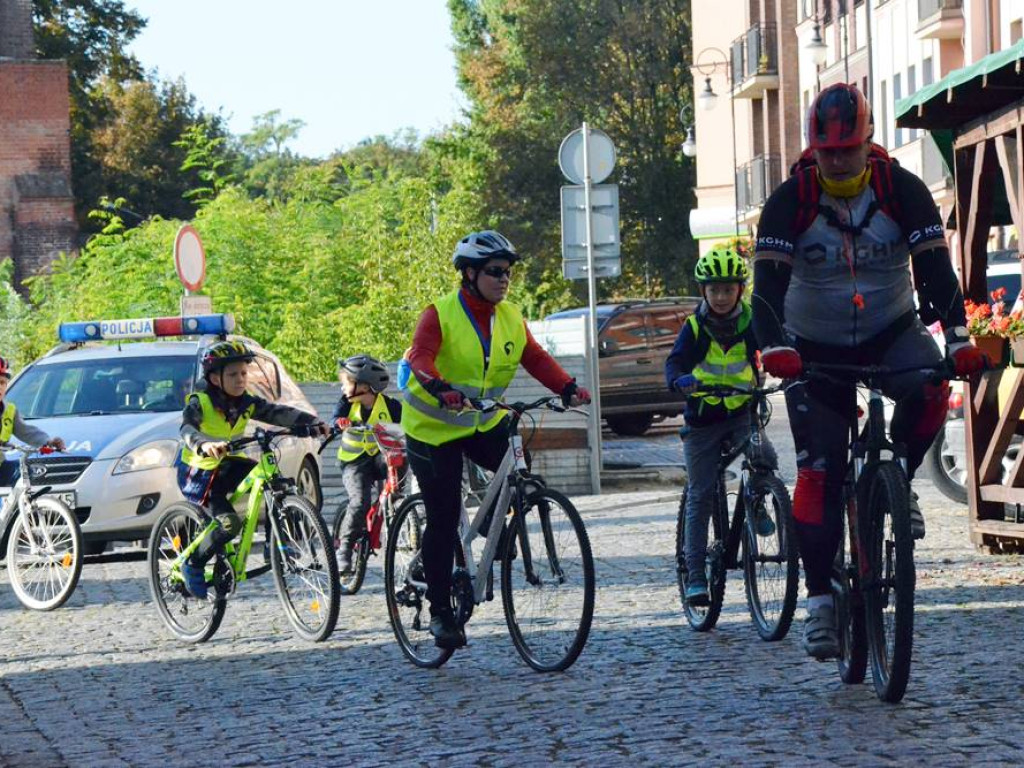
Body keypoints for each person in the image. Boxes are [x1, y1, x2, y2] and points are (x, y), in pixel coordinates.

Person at [751, 83, 988, 659]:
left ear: (868, 142)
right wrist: (773, 347)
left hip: (891, 332)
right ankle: (821, 602)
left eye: (848, 150)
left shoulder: (901, 191)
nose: (837, 162)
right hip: (815, 348)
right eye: (827, 152)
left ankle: (897, 479)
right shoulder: (791, 200)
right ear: (813, 149)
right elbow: (764, 295)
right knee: (818, 473)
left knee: (932, 388)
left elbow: (937, 274)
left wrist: (957, 339)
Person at [402, 230, 591, 650]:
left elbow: (535, 357)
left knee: (521, 471)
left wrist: (566, 387)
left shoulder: (508, 316)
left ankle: (495, 524)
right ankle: (440, 612)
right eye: (494, 272)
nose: (504, 279)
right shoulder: (440, 314)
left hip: (479, 421)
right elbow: (420, 356)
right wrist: (439, 386)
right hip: (432, 429)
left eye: (507, 272)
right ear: (469, 274)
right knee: (445, 512)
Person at [176, 340, 329, 599]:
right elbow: (187, 429)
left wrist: (312, 423)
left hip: (227, 465)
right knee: (228, 524)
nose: (241, 379)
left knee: (279, 484)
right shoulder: (199, 401)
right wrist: (205, 444)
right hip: (200, 474)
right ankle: (193, 564)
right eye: (233, 374)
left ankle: (281, 544)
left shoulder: (245, 402)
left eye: (244, 373)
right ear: (215, 378)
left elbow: (277, 412)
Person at [665, 247, 772, 606]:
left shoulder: (751, 320)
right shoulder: (694, 326)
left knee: (765, 456)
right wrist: (679, 379)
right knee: (701, 493)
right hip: (703, 419)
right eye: (715, 290)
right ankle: (696, 575)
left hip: (742, 411)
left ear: (740, 290)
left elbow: (773, 345)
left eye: (728, 289)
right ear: (704, 292)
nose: (722, 297)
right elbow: (675, 362)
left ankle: (756, 503)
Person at [332, 354, 403, 574]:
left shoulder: (391, 406)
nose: (343, 388)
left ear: (364, 386)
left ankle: (398, 505)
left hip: (380, 458)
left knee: (402, 457)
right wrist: (339, 422)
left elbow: (407, 426)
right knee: (360, 500)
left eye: (346, 383)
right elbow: (334, 419)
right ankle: (344, 548)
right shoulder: (346, 404)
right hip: (354, 462)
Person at [0, 356, 66, 465]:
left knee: (24, 472)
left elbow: (27, 432)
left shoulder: (9, 409)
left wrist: (48, 442)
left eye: (2, 383)